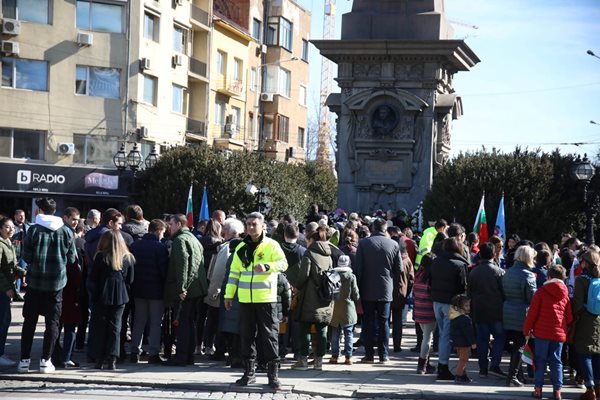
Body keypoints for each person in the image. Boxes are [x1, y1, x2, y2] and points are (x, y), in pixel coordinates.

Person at [224, 212, 287, 389]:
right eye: (248, 224)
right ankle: (249, 373)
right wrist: (229, 295)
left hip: (266, 299)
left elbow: (283, 264)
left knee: (269, 337)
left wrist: (268, 266)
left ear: (262, 226)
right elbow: (234, 273)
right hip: (245, 299)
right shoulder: (241, 247)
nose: (251, 227)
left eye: (254, 224)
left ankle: (272, 375)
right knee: (246, 336)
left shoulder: (271, 245)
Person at [18, 198, 77, 374]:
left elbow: (26, 257)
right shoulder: (66, 231)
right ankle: (45, 360)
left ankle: (24, 360)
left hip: (35, 282)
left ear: (39, 210)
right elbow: (72, 259)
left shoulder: (33, 230)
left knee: (29, 323)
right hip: (56, 284)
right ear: (55, 210)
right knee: (52, 324)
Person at [354, 217, 402, 364]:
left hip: (367, 289)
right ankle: (383, 354)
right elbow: (398, 269)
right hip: (385, 289)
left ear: (373, 228)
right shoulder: (393, 244)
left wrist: (357, 289)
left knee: (368, 322)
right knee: (384, 322)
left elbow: (358, 269)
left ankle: (369, 355)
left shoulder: (364, 244)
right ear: (385, 229)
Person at [164, 214, 207, 366]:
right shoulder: (194, 239)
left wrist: (181, 288)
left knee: (183, 322)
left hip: (186, 289)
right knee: (189, 322)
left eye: (170, 224)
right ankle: (188, 356)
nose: (168, 227)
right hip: (197, 288)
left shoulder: (180, 240)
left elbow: (182, 265)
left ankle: (181, 356)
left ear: (178, 224)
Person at [523, 265, 572, 400]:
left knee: (540, 361)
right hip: (559, 334)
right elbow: (569, 317)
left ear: (549, 276)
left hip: (541, 334)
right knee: (557, 362)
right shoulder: (565, 294)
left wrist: (526, 330)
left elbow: (532, 314)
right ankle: (557, 391)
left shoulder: (541, 292)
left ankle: (538, 390)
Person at [88, 230, 134, 370]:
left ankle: (99, 359)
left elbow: (93, 277)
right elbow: (130, 279)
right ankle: (112, 359)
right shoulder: (127, 257)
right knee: (116, 328)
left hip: (102, 293)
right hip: (120, 294)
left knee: (100, 327)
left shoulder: (101, 256)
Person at [292, 225, 334, 371]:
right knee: (322, 328)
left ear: (311, 240)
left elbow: (303, 275)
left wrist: (296, 287)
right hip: (325, 297)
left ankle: (303, 360)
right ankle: (319, 361)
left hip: (309, 296)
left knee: (305, 328)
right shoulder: (329, 255)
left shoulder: (309, 254)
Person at [129, 219, 169, 364]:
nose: (163, 235)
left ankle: (134, 351)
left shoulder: (135, 245)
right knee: (155, 322)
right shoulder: (160, 248)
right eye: (163, 232)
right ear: (158, 230)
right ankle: (153, 353)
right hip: (156, 290)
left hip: (138, 289)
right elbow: (163, 271)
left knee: (139, 321)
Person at [430, 236, 469, 381]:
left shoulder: (436, 261)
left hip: (437, 301)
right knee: (446, 335)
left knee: (442, 333)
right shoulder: (459, 264)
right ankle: (443, 367)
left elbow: (431, 280)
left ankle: (442, 366)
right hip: (451, 303)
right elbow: (462, 287)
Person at [467, 242, 506, 378]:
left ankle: (483, 368)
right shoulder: (499, 272)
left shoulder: (473, 271)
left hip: (479, 310)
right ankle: (494, 364)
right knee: (499, 337)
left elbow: (469, 292)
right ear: (493, 254)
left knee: (482, 339)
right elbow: (504, 292)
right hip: (496, 311)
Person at [502, 245, 537, 387]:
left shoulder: (508, 272)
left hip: (508, 310)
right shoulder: (527, 275)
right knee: (520, 345)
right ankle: (512, 376)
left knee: (515, 344)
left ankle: (517, 375)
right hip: (522, 313)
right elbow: (532, 298)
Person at [572, 249, 600, 400]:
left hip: (585, 320)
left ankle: (590, 390)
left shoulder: (581, 279)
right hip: (599, 319)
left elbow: (577, 303)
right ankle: (598, 386)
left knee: (584, 354)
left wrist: (579, 313)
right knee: (597, 354)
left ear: (586, 263)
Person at [0, 217, 26, 366]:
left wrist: (25, 273)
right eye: (7, 227)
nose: (11, 230)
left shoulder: (9, 243)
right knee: (3, 321)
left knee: (5, 320)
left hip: (6, 289)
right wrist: (7, 288)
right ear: (1, 229)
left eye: (12, 227)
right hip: (2, 290)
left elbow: (13, 265)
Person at [329, 255, 359, 365]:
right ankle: (348, 357)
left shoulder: (333, 275)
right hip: (348, 308)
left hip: (335, 308)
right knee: (349, 333)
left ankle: (334, 356)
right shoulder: (351, 276)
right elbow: (355, 294)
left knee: (335, 334)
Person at [413, 253, 436, 374]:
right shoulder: (431, 278)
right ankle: (421, 365)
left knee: (424, 337)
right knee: (428, 338)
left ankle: (427, 364)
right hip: (429, 310)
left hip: (419, 310)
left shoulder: (418, 275)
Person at [449, 294, 476, 384]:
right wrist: (473, 342)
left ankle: (463, 375)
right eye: (466, 306)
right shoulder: (465, 319)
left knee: (461, 359)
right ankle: (459, 375)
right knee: (464, 360)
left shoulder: (454, 317)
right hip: (464, 343)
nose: (468, 307)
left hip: (457, 342)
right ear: (460, 307)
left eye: (469, 305)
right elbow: (468, 333)